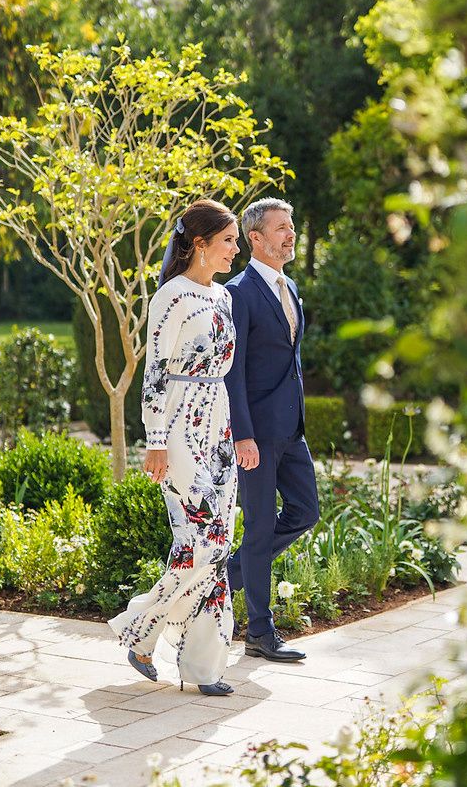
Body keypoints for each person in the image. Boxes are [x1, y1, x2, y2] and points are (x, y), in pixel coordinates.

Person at [108, 199, 240, 696]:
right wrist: (156, 441)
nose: (235, 249)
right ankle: (141, 626)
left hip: (219, 424)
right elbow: (156, 373)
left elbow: (226, 371)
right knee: (207, 540)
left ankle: (203, 668)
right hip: (180, 426)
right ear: (199, 244)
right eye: (227, 241)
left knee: (211, 547)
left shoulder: (224, 298)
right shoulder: (171, 296)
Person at [225, 197, 319, 662]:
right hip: (256, 435)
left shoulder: (291, 287)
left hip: (291, 430)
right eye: (281, 227)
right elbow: (232, 370)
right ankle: (259, 633)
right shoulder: (238, 292)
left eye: (292, 225)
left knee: (306, 511)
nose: (291, 233)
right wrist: (241, 434)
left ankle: (226, 575)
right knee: (260, 528)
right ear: (255, 238)